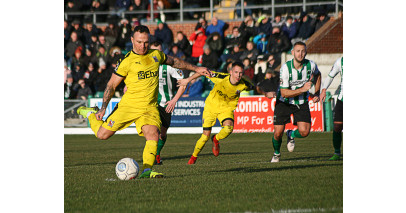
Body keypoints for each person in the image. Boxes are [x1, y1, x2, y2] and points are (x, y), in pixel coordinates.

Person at [76, 25, 211, 178]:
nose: (143, 46)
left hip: (149, 107)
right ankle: (90, 114)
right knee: (102, 135)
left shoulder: (156, 55)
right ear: (132, 40)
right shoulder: (127, 61)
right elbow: (111, 85)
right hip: (129, 106)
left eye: (146, 42)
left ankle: (147, 171)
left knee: (153, 134)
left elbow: (174, 62)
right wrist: (103, 108)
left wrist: (196, 69)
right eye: (139, 42)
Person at [180, 62, 254, 164]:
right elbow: (203, 72)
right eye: (236, 72)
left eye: (241, 73)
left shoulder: (244, 84)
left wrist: (265, 93)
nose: (238, 75)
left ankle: (215, 139)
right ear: (231, 72)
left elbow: (255, 87)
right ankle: (194, 157)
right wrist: (188, 80)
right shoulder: (220, 77)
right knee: (205, 136)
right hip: (211, 107)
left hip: (226, 109)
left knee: (228, 129)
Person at [266, 41, 321, 163]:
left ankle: (291, 134)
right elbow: (284, 92)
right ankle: (276, 154)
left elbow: (318, 75)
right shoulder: (285, 68)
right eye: (297, 51)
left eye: (303, 51)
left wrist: (317, 92)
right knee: (278, 133)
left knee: (305, 132)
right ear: (292, 53)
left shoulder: (311, 65)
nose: (300, 54)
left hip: (301, 102)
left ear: (306, 52)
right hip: (283, 102)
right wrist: (302, 89)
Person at [147, 41, 187, 165]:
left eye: (159, 51)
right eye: (154, 51)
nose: (157, 54)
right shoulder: (144, 64)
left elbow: (183, 82)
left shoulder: (169, 65)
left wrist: (174, 100)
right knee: (153, 131)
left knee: (162, 134)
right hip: (150, 103)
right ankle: (152, 157)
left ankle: (157, 153)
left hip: (165, 103)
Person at [319, 57, 343, 161]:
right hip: (343, 98)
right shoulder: (341, 61)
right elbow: (330, 76)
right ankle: (337, 153)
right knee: (337, 126)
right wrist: (324, 90)